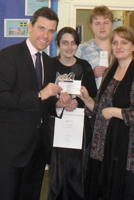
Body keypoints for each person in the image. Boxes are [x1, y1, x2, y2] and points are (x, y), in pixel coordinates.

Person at [0, 7, 70, 200]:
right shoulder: (8, 55)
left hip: (38, 147)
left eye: (51, 31)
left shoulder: (50, 63)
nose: (46, 35)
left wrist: (58, 105)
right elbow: (0, 97)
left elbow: (45, 104)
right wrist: (38, 95)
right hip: (12, 147)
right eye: (41, 28)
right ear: (30, 27)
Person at [78, 26, 134, 200]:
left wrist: (116, 112)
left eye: (124, 42)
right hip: (105, 145)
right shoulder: (110, 71)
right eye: (115, 42)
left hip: (132, 149)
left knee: (129, 193)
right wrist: (86, 99)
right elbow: (100, 109)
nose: (119, 46)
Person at [48, 27, 97, 200]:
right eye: (65, 43)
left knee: (77, 173)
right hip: (56, 125)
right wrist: (59, 103)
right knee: (57, 174)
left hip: (78, 125)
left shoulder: (84, 66)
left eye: (73, 43)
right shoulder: (50, 64)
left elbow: (93, 95)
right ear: (58, 44)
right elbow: (44, 96)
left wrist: (78, 101)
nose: (69, 47)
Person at [75, 5, 114, 89]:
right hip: (89, 99)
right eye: (97, 23)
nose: (102, 27)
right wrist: (91, 75)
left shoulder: (120, 48)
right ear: (91, 25)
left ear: (112, 24)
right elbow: (74, 77)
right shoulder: (82, 49)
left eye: (106, 22)